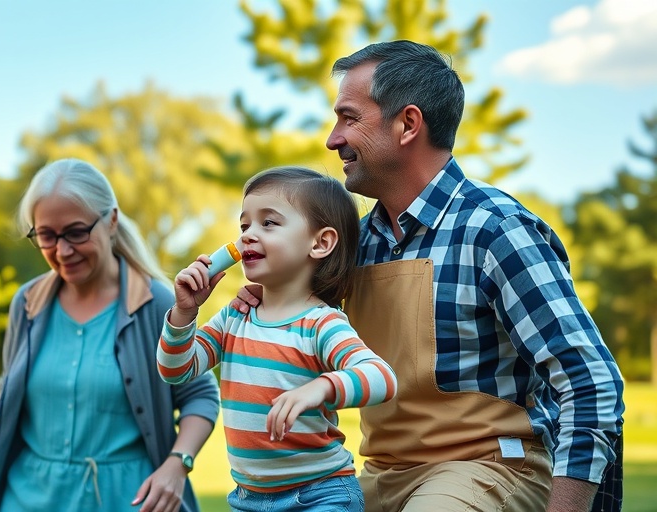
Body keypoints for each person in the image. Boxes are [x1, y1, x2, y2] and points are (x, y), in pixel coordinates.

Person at [234, 40, 625, 512]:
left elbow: (590, 381)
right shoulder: (352, 244)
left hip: (492, 469)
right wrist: (262, 300)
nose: (332, 139)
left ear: (408, 124)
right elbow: (298, 328)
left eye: (349, 118)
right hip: (382, 472)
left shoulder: (495, 229)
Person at [0, 158, 220, 512]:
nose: (62, 250)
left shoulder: (156, 304)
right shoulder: (27, 305)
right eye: (46, 235)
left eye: (76, 232)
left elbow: (200, 396)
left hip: (126, 500)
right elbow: (7, 404)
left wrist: (177, 465)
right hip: (26, 499)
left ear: (111, 221)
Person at [158, 166, 398, 512]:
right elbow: (175, 370)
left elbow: (381, 377)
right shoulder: (234, 317)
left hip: (320, 495)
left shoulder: (321, 323)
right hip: (248, 499)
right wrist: (184, 313)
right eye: (244, 225)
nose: (247, 236)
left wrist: (322, 387)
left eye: (268, 223)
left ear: (320, 243)